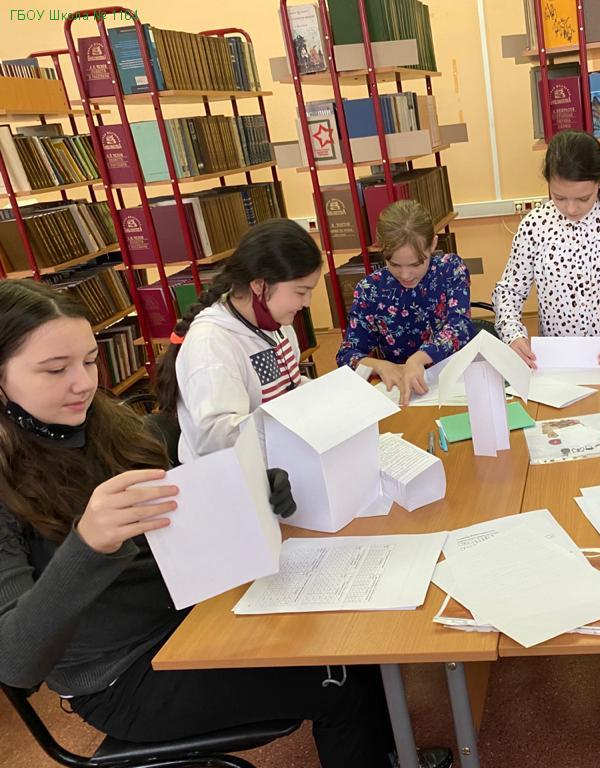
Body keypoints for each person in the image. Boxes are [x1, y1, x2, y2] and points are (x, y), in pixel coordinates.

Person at [0, 280, 410, 768]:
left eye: (90, 361)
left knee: (356, 641)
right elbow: (16, 664)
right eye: (55, 369)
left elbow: (182, 505)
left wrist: (253, 488)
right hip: (124, 674)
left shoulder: (106, 423)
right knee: (340, 682)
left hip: (191, 613)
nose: (83, 383)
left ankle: (394, 754)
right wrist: (86, 545)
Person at [492, 130, 600, 368]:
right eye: (559, 197)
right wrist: (512, 334)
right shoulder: (535, 226)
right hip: (558, 362)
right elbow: (509, 291)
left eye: (583, 198)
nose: (571, 209)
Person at [156, 218, 322, 462]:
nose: (306, 303)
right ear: (259, 285)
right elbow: (216, 438)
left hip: (279, 458)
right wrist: (292, 419)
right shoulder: (211, 344)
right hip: (230, 473)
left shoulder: (277, 324)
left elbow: (288, 385)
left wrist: (322, 396)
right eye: (301, 292)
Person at [336, 199, 474, 405]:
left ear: (433, 244)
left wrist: (418, 359)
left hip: (456, 384)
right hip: (405, 394)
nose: (405, 274)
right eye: (394, 264)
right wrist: (378, 365)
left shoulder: (451, 270)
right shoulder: (370, 289)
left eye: (416, 264)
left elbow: (460, 327)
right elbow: (347, 355)